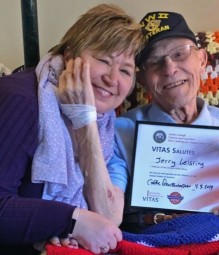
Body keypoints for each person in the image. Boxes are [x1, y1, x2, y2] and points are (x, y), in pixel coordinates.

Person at [0, 4, 144, 254]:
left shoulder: (105, 121)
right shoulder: (21, 100)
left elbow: (107, 217)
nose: (112, 79)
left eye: (125, 71)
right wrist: (72, 221)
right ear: (68, 55)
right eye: (102, 60)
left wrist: (84, 119)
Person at [107, 10, 219, 232]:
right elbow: (106, 209)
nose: (170, 69)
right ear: (143, 79)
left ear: (202, 60)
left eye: (179, 54)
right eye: (154, 61)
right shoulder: (118, 132)